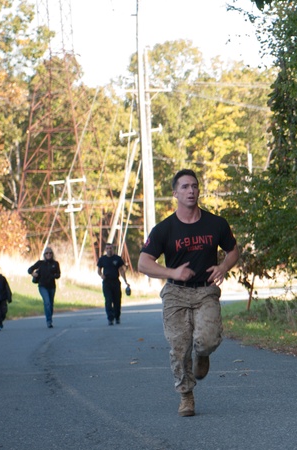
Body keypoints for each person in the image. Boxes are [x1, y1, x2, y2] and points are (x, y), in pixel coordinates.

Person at [138, 169, 240, 417]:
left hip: (206, 291)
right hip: (175, 294)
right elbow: (143, 263)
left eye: (194, 186)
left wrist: (224, 266)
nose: (191, 191)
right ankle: (186, 395)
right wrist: (172, 273)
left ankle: (203, 354)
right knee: (179, 347)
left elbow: (233, 250)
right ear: (175, 193)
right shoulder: (165, 229)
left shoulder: (216, 223)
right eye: (184, 187)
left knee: (207, 340)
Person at [97, 243, 130, 325]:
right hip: (107, 282)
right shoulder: (102, 259)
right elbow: (98, 270)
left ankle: (117, 317)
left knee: (117, 301)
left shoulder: (117, 259)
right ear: (105, 250)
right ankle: (110, 318)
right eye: (107, 248)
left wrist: (125, 281)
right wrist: (101, 275)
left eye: (110, 248)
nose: (109, 250)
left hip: (115, 281)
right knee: (108, 300)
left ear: (113, 249)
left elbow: (121, 270)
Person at [28, 247, 61, 328]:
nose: (48, 254)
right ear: (44, 254)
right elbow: (29, 269)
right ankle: (48, 321)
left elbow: (58, 274)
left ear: (52, 254)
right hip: (42, 286)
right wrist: (33, 274)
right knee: (47, 302)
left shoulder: (55, 263)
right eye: (47, 253)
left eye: (50, 253)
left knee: (51, 304)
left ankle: (50, 318)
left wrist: (54, 275)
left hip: (52, 286)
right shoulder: (40, 263)